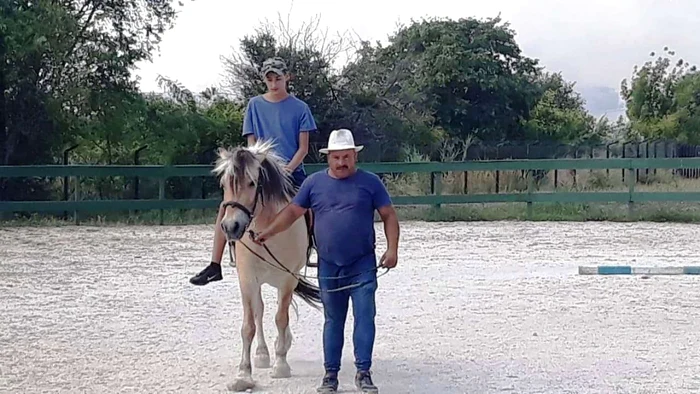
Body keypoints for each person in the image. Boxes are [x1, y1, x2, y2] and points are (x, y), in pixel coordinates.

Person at [251, 128, 400, 394]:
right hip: (329, 264)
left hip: (362, 263)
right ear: (328, 158)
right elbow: (293, 212)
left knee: (365, 317)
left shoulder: (371, 183)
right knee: (333, 319)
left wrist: (392, 250)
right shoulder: (313, 184)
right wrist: (268, 232)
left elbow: (389, 215)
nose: (341, 162)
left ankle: (363, 372)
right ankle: (330, 374)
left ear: (355, 156)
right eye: (336, 157)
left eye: (346, 157)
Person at [189, 56, 317, 286]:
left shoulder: (301, 108)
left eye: (278, 78)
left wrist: (287, 169)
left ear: (287, 78)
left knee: (312, 204)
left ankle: (315, 247)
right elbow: (252, 143)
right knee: (228, 206)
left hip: (291, 170)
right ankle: (215, 263)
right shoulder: (254, 105)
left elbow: (303, 148)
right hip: (258, 169)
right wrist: (254, 169)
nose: (274, 83)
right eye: (269, 79)